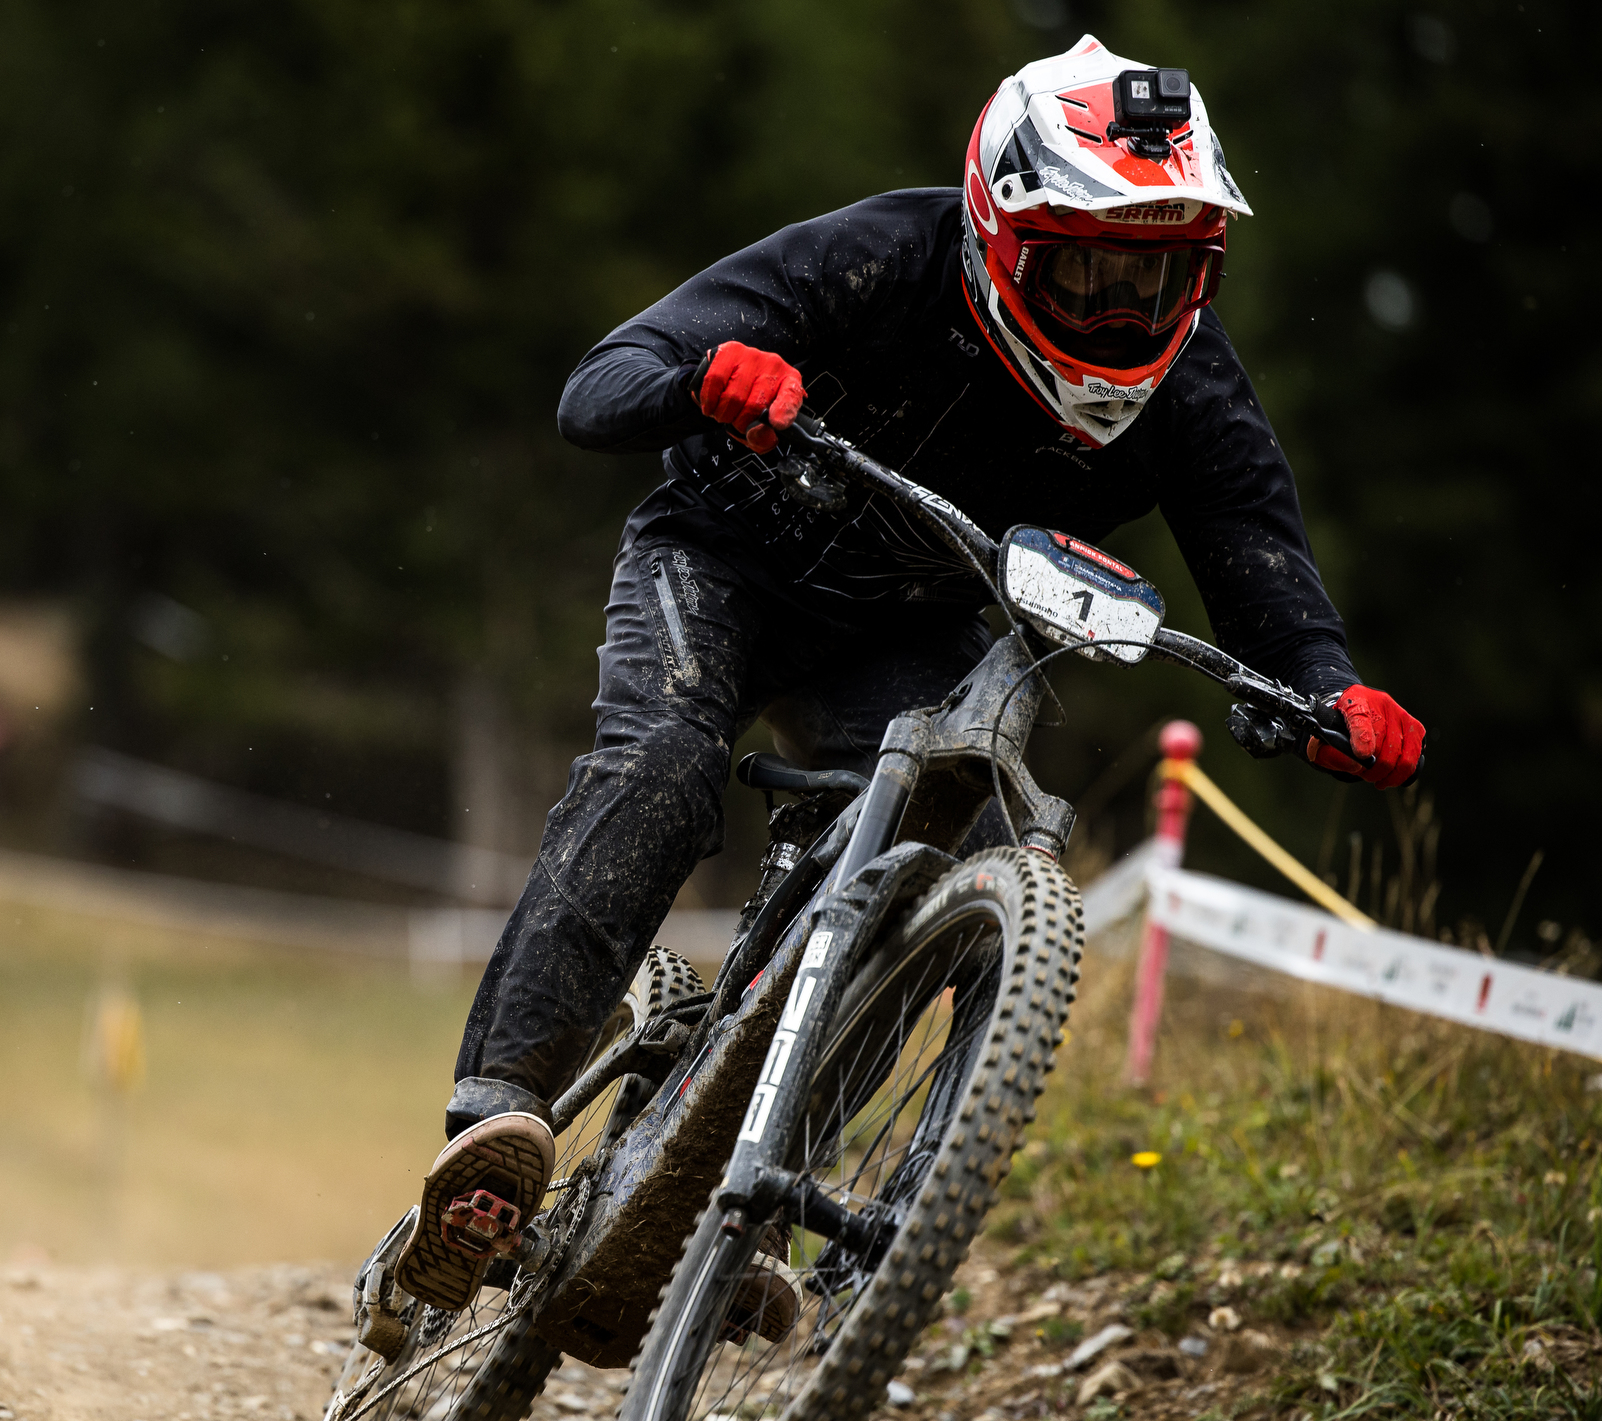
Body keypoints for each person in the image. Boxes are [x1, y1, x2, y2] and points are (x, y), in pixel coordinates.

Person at [392, 35, 1426, 1312]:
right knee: (659, 763)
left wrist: (1327, 685)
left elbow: (1256, 550)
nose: (1120, 315)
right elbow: (596, 385)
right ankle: (495, 1123)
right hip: (723, 557)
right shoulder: (875, 256)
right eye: (1087, 272)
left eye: (1157, 281)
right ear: (996, 230)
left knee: (961, 865)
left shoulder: (1191, 383)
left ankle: (749, 1184)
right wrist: (705, 378)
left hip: (909, 625)